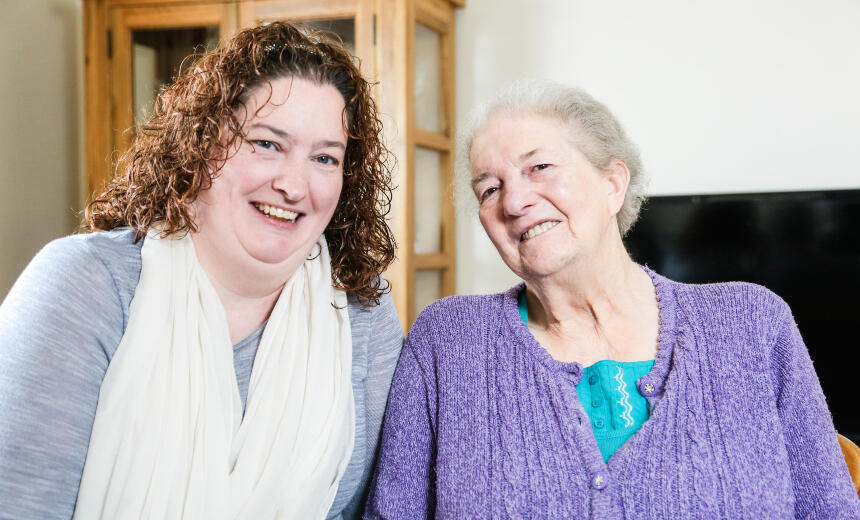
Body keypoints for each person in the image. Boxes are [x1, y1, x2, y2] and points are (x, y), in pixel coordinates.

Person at [365, 81, 860, 518]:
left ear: (612, 184)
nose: (513, 202)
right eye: (489, 189)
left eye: (538, 167)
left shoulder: (753, 323)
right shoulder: (446, 342)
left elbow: (831, 508)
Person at [0, 22, 402, 519]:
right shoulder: (82, 286)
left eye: (324, 157)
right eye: (267, 143)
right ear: (201, 141)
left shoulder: (362, 310)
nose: (294, 185)